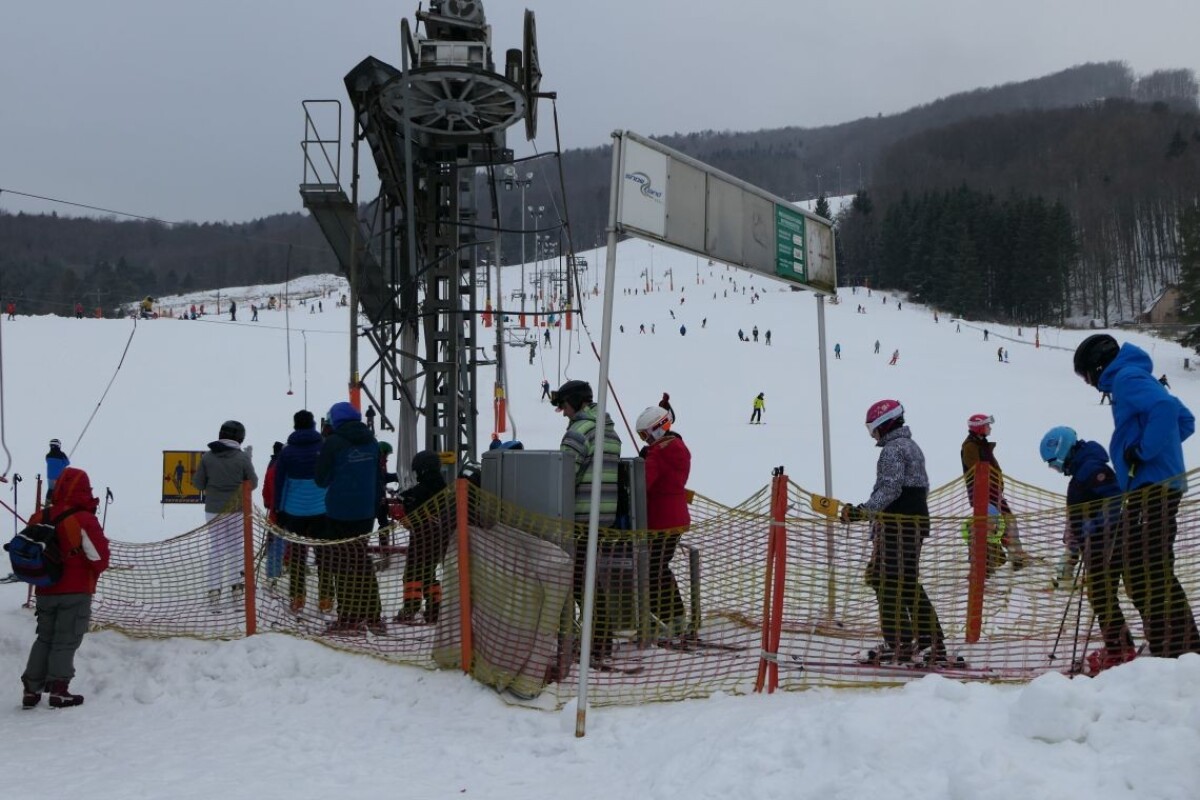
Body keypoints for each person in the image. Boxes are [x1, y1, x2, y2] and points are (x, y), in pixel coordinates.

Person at [1073, 334, 1200, 657]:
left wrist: (1145, 453)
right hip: (1156, 484)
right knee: (1150, 566)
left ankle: (1174, 648)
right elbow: (1185, 421)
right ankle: (1182, 646)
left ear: (1097, 366)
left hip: (1151, 487)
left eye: (1086, 377)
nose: (1089, 384)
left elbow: (1165, 408)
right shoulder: (1133, 376)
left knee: (1143, 570)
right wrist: (1160, 450)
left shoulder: (1127, 377)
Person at [839, 400, 946, 665]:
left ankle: (917, 643)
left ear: (883, 425)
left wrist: (862, 511)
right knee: (892, 580)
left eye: (872, 429)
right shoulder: (910, 446)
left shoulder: (893, 450)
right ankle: (908, 641)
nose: (872, 435)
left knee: (893, 583)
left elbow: (890, 489)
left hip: (899, 527)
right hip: (910, 524)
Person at [1039, 426, 1136, 674]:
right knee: (1100, 595)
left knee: (1101, 595)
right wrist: (1075, 537)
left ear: (1062, 449)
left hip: (1107, 544)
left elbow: (1114, 499)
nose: (1055, 469)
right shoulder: (1084, 469)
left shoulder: (1092, 468)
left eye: (1053, 463)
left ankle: (1119, 651)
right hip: (1095, 545)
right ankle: (1119, 647)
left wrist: (1094, 526)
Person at [20, 467, 110, 709]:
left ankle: (31, 689)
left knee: (44, 638)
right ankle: (59, 689)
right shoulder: (83, 519)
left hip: (45, 587)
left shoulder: (40, 516)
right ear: (83, 490)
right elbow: (99, 558)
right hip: (75, 590)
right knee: (66, 640)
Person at [552, 379, 622, 665]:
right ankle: (600, 637)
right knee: (588, 578)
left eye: (564, 406)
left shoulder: (579, 432)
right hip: (603, 516)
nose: (563, 413)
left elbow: (563, 476)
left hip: (580, 518)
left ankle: (596, 640)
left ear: (576, 402)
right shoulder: (609, 431)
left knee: (579, 581)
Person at [315, 402, 385, 634]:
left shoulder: (333, 443)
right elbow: (378, 478)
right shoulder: (372, 442)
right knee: (362, 560)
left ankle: (348, 618)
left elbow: (321, 479)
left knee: (343, 563)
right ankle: (373, 615)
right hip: (365, 512)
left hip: (339, 511)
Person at [636, 406, 692, 640]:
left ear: (657, 429)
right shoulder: (678, 447)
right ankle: (672, 618)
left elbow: (644, 484)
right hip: (675, 517)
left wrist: (640, 465)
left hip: (661, 520)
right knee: (659, 568)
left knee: (654, 570)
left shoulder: (658, 454)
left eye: (645, 435)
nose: (645, 440)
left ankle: (668, 619)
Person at [193, 420, 258, 608]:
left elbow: (198, 484)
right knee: (237, 547)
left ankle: (214, 590)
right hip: (237, 510)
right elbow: (252, 484)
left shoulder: (207, 457)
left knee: (216, 549)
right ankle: (236, 587)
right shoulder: (242, 458)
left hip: (213, 510)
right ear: (240, 437)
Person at [274, 410, 333, 614]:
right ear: (313, 424)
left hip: (294, 512)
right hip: (321, 510)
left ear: (295, 425)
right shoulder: (323, 447)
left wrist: (278, 510)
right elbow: (331, 478)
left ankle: (297, 598)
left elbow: (280, 484)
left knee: (298, 556)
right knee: (324, 555)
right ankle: (325, 599)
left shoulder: (287, 452)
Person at [960, 414, 1028, 571]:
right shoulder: (970, 447)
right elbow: (977, 471)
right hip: (983, 495)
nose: (990, 428)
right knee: (989, 527)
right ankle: (983, 564)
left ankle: (1013, 556)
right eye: (987, 425)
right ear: (979, 427)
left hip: (994, 493)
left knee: (1006, 522)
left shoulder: (981, 444)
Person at [393, 450, 451, 624]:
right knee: (429, 575)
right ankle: (435, 610)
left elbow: (410, 514)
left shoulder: (419, 492)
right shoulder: (444, 488)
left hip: (421, 540)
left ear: (423, 470)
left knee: (412, 575)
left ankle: (410, 608)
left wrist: (401, 507)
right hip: (439, 540)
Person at [261, 441, 286, 589]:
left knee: (274, 542)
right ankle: (274, 572)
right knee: (282, 543)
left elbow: (266, 487)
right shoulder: (284, 467)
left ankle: (272, 574)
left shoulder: (271, 465)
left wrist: (267, 502)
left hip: (273, 510)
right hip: (285, 510)